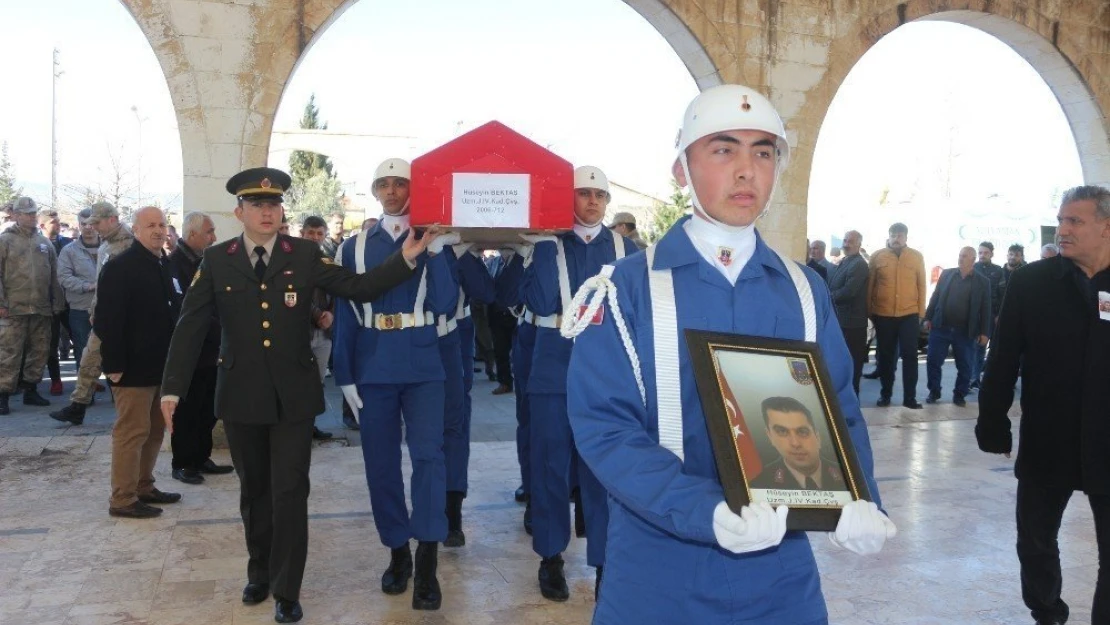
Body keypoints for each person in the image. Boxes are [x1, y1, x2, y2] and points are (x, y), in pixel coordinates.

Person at [564, 84, 894, 624]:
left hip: (782, 576)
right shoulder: (627, 289)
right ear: (681, 169)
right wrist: (707, 512)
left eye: (763, 152)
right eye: (723, 149)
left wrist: (858, 501)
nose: (747, 170)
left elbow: (838, 408)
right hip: (657, 570)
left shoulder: (804, 290)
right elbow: (605, 429)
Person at [160, 167, 435, 624]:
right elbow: (189, 327)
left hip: (294, 396)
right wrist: (172, 388)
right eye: (257, 205)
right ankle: (260, 572)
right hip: (241, 394)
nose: (267, 212)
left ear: (281, 210)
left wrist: (405, 258)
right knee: (254, 492)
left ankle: (288, 589)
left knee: (290, 491)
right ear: (239, 212)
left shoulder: (305, 254)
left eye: (273, 205)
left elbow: (359, 288)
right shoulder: (216, 259)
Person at [976, 185, 1110, 625]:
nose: (1063, 229)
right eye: (1061, 220)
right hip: (1048, 438)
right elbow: (1003, 357)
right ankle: (1047, 612)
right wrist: (992, 421)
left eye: (1075, 221)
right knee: (1034, 541)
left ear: (1106, 227)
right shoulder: (1031, 282)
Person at [331, 158, 457, 612]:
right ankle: (397, 551)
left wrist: (437, 250)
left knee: (429, 459)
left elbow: (445, 303)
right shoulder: (355, 246)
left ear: (413, 188)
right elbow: (346, 312)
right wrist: (344, 373)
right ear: (373, 190)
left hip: (423, 362)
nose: (391, 191)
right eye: (383, 184)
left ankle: (427, 559)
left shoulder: (431, 239)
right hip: (374, 364)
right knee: (380, 464)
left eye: (399, 183)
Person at [522, 165, 630, 601]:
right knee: (549, 466)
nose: (591, 202)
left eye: (599, 195)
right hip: (554, 367)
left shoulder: (626, 249)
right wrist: (543, 248)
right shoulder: (548, 246)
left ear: (607, 202)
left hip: (606, 373)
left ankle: (605, 563)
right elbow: (538, 300)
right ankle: (550, 558)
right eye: (583, 194)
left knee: (602, 475)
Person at [96, 206, 182, 518]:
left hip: (160, 366)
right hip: (130, 368)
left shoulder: (163, 264)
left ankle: (144, 486)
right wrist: (114, 364)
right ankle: (122, 498)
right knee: (131, 433)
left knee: (155, 430)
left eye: (162, 224)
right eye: (151, 225)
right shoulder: (121, 267)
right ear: (136, 230)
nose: (159, 230)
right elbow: (106, 321)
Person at [49, 202, 134, 425]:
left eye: (97, 222)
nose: (93, 227)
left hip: (120, 317)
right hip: (102, 314)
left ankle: (125, 410)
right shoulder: (107, 244)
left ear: (112, 219)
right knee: (89, 360)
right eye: (90, 223)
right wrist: (94, 308)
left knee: (116, 363)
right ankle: (78, 406)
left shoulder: (129, 245)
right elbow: (102, 283)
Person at [167, 211, 234, 485]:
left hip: (212, 351)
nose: (214, 237)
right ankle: (183, 462)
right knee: (187, 410)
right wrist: (224, 332)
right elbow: (188, 311)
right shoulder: (175, 265)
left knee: (208, 407)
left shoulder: (208, 262)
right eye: (209, 232)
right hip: (192, 351)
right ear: (192, 234)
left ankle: (200, 456)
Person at [0, 197, 64, 414]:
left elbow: (55, 275)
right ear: (16, 215)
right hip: (13, 308)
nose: (32, 217)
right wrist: (1, 303)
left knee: (39, 351)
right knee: (9, 353)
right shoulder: (5, 241)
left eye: (34, 213)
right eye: (27, 213)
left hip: (41, 308)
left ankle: (31, 389)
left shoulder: (44, 243)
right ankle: (3, 395)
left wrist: (57, 302)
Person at [868, 222, 927, 409]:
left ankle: (910, 398)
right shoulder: (877, 256)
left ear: (906, 237)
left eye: (900, 235)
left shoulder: (916, 257)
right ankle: (885, 394)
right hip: (883, 314)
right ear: (889, 236)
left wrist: (920, 313)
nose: (896, 238)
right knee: (885, 356)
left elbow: (922, 285)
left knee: (910, 355)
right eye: (893, 235)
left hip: (909, 314)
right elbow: (870, 285)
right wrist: (869, 311)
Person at [923, 247, 990, 407]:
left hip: (965, 331)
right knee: (933, 361)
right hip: (941, 327)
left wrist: (984, 332)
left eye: (964, 256)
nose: (960, 259)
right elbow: (936, 296)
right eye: (960, 255)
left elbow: (986, 308)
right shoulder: (947, 274)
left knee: (965, 365)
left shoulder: (982, 281)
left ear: (973, 260)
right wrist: (927, 317)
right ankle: (934, 391)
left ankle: (959, 394)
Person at [749, 397, 845, 491]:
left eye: (802, 432)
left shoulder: (847, 476)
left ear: (817, 437)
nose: (795, 443)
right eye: (782, 432)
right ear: (770, 436)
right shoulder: (757, 486)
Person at [298, 215, 336, 441]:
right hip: (301, 333)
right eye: (310, 233)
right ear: (302, 233)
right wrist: (317, 314)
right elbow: (296, 296)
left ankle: (311, 426)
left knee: (318, 384)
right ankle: (298, 430)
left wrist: (329, 314)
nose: (315, 237)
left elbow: (335, 291)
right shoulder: (291, 260)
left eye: (319, 233)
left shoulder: (328, 262)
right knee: (299, 383)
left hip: (324, 334)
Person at [56, 209, 99, 371]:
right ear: (79, 225)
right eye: (84, 224)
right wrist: (87, 286)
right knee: (83, 354)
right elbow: (64, 277)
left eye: (92, 223)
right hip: (81, 309)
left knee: (110, 355)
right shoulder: (69, 251)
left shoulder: (109, 248)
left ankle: (114, 395)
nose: (88, 227)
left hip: (108, 309)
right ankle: (86, 396)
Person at [827, 230, 869, 395]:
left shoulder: (859, 264)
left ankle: (852, 404)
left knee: (852, 366)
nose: (846, 244)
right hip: (841, 322)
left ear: (859, 244)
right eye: (845, 240)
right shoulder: (845, 261)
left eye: (851, 241)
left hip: (853, 324)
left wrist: (827, 298)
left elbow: (849, 292)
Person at [39, 209, 72, 396]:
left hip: (68, 301)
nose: (58, 225)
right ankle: (56, 380)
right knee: (51, 344)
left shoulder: (68, 244)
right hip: (48, 303)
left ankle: (87, 378)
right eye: (54, 222)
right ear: (43, 225)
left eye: (59, 222)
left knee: (80, 339)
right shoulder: (36, 246)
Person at [971, 241, 1003, 390]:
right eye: (980, 253)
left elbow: (1002, 293)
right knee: (969, 347)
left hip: (990, 315)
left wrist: (998, 314)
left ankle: (976, 378)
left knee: (981, 347)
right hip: (972, 314)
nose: (982, 255)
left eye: (985, 253)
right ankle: (970, 378)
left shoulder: (998, 271)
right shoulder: (972, 268)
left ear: (991, 254)